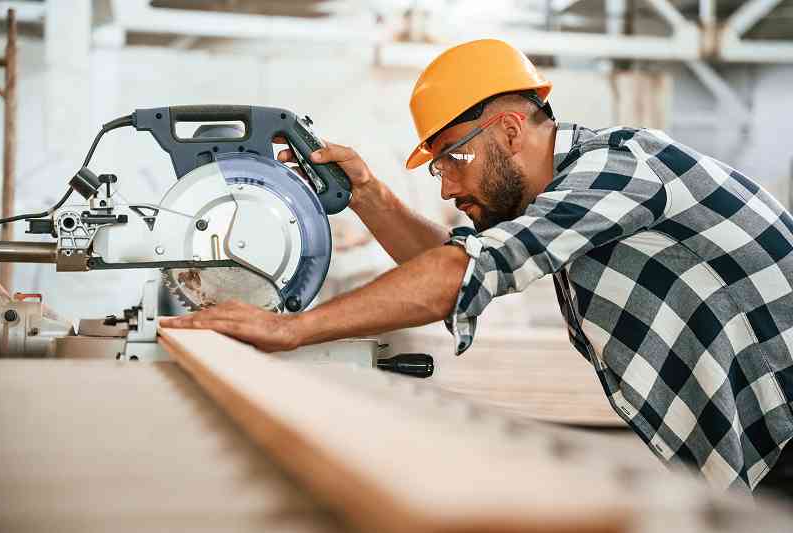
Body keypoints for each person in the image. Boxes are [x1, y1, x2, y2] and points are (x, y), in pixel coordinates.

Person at [161, 39, 793, 496]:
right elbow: (451, 266)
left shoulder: (621, 169)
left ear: (511, 130)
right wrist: (365, 192)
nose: (446, 188)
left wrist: (291, 329)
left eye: (451, 161)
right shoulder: (568, 200)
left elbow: (459, 274)